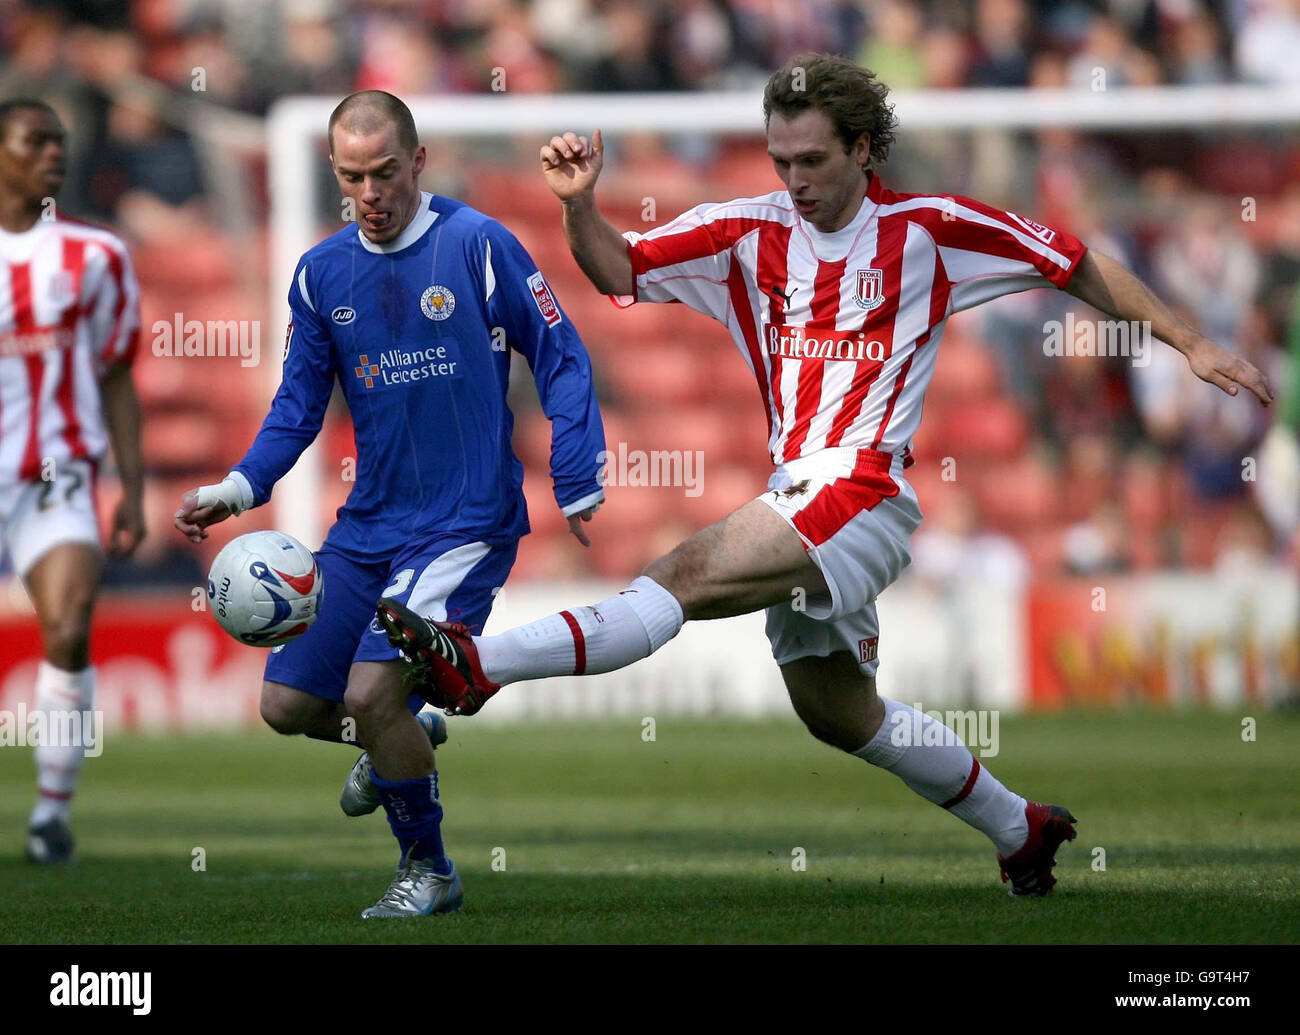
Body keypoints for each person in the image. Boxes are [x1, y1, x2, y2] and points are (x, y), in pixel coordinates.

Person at [378, 54, 1273, 897]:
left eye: (812, 159)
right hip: (800, 487)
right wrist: (580, 206)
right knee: (838, 712)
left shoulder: (931, 231)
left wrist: (1190, 340)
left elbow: (1073, 262)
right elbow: (619, 268)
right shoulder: (745, 231)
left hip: (863, 488)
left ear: (863, 150)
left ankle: (477, 664)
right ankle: (1021, 828)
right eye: (780, 161)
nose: (795, 180)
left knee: (682, 575)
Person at [174, 91, 604, 917]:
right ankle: (407, 733)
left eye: (382, 174)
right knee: (286, 705)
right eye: (350, 177)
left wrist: (578, 469)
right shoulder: (321, 272)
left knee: (372, 695)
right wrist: (237, 487)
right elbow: (296, 407)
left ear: (417, 163)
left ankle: (430, 868)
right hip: (368, 526)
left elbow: (560, 351)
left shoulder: (479, 245)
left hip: (464, 523)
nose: (369, 193)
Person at [0, 98, 145, 864]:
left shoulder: (96, 256)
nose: (53, 154)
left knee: (70, 622)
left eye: (59, 142)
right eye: (35, 142)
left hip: (55, 471)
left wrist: (133, 488)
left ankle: (50, 813)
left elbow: (119, 374)